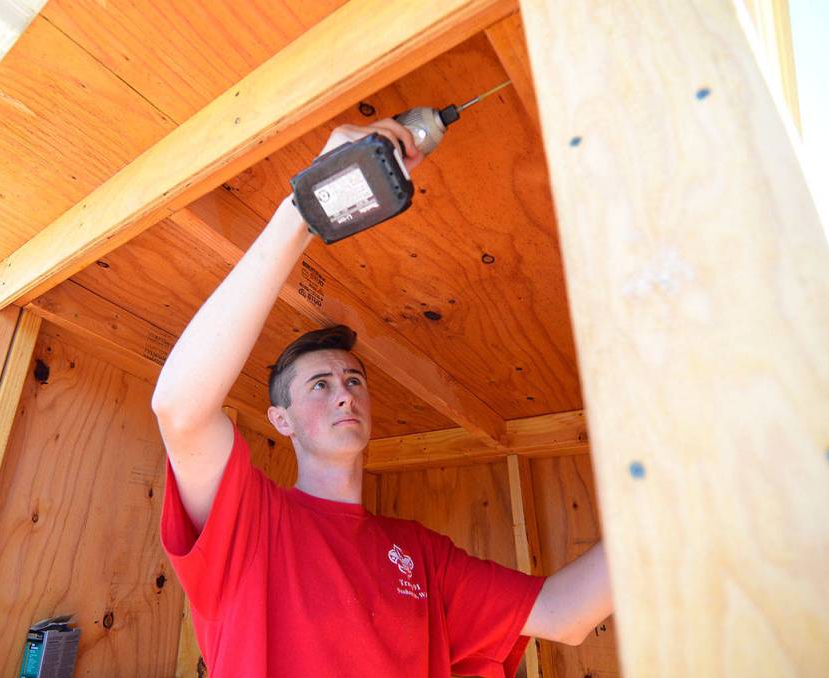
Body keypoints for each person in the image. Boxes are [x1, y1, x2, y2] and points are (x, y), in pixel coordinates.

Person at [153, 119, 613, 677]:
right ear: (282, 419)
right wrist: (303, 209)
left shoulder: (419, 554)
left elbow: (563, 615)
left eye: (353, 381)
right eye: (319, 385)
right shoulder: (252, 522)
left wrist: (676, 487)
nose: (344, 394)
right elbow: (179, 409)